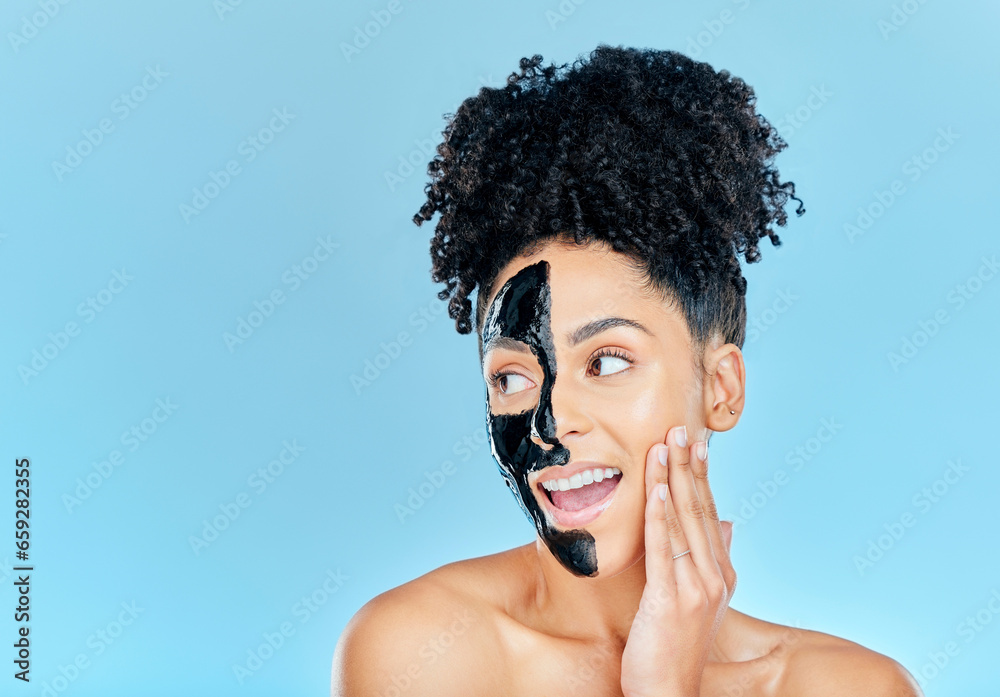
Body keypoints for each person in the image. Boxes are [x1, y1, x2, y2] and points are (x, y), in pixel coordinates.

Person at [332, 45, 922, 696]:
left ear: (720, 388)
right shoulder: (421, 653)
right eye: (512, 378)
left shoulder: (845, 686)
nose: (554, 422)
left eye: (607, 360)